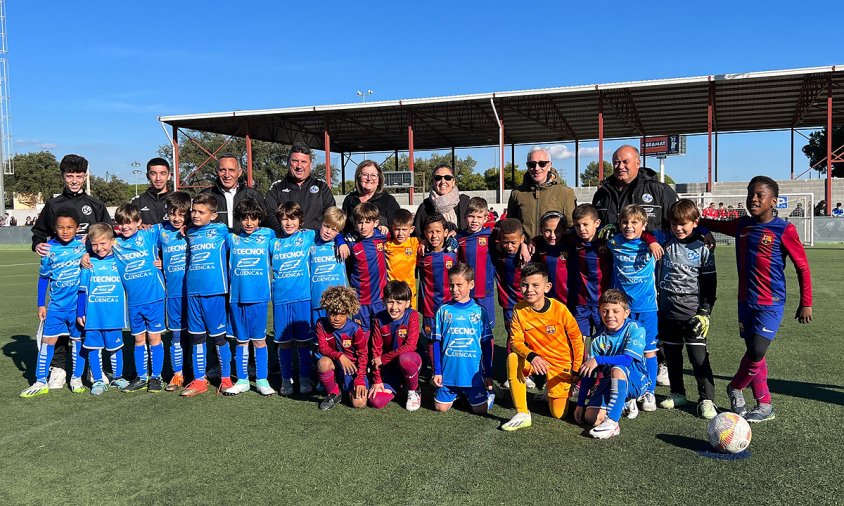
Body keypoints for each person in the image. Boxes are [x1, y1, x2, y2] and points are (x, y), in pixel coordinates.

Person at [701, 176, 812, 423]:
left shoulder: (784, 229)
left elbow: (802, 267)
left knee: (757, 349)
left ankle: (736, 387)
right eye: (750, 193)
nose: (753, 198)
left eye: (759, 195)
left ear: (773, 201)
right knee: (754, 353)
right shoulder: (742, 226)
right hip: (745, 301)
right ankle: (764, 404)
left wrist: (806, 302)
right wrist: (702, 228)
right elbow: (709, 223)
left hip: (771, 302)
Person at [31, 154, 110, 389]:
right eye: (70, 176)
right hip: (62, 277)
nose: (74, 180)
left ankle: (94, 368)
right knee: (60, 323)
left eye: (78, 176)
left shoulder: (96, 204)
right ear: (63, 177)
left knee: (88, 322)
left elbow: (108, 233)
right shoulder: (52, 205)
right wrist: (37, 244)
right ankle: (58, 367)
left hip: (88, 275)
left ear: (85, 176)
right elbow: (39, 231)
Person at [501, 262, 583, 431]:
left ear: (547, 287)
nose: (529, 289)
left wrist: (576, 370)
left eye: (535, 285)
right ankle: (522, 413)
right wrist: (532, 356)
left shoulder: (560, 309)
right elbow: (515, 342)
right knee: (513, 358)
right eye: (525, 285)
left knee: (558, 414)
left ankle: (550, 393)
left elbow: (577, 339)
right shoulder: (519, 309)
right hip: (536, 361)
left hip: (560, 364)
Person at [656, 199, 718, 419]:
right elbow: (647, 232)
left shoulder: (704, 249)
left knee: (698, 357)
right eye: (674, 224)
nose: (678, 228)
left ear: (695, 223)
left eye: (683, 224)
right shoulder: (665, 243)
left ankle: (707, 399)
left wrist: (705, 311)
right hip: (668, 311)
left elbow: (710, 284)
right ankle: (678, 392)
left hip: (693, 314)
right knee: (672, 355)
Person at [20, 209, 87, 398]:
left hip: (77, 307)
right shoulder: (48, 249)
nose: (65, 231)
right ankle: (40, 380)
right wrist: (41, 304)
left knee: (77, 342)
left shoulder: (82, 248)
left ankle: (77, 378)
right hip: (56, 307)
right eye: (61, 227)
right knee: (47, 342)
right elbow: (43, 279)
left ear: (77, 228)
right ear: (54, 229)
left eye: (70, 227)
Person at [605, 204, 663, 412]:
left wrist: (652, 240)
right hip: (623, 309)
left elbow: (677, 230)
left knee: (648, 351)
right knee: (625, 350)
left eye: (634, 223)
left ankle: (650, 392)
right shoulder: (614, 242)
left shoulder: (652, 242)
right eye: (625, 222)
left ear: (644, 225)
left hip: (647, 307)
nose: (629, 226)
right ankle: (629, 390)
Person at [574, 289, 650, 439]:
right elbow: (589, 373)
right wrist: (580, 403)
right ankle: (622, 403)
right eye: (605, 311)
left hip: (636, 379)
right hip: (610, 381)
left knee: (617, 369)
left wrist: (599, 360)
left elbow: (627, 360)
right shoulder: (597, 339)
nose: (610, 316)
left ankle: (613, 423)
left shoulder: (635, 328)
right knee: (591, 418)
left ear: (626, 313)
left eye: (616, 311)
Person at [112, 203, 167, 393]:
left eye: (130, 222)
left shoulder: (148, 234)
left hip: (154, 296)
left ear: (139, 222)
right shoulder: (115, 243)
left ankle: (157, 376)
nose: (125, 227)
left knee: (154, 338)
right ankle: (141, 376)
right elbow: (97, 242)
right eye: (121, 223)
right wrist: (86, 252)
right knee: (138, 340)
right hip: (133, 301)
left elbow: (172, 229)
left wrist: (163, 262)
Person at [181, 194, 232, 397]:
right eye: (193, 210)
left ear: (213, 215)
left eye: (201, 212)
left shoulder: (221, 231)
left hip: (215, 292)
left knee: (219, 337)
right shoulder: (190, 233)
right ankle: (199, 379)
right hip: (192, 292)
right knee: (197, 338)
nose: (195, 215)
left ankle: (226, 378)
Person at [224, 199, 276, 396]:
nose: (249, 223)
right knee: (241, 341)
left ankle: (262, 380)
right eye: (245, 218)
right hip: (237, 298)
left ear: (259, 219)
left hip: (259, 298)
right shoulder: (232, 239)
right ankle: (243, 380)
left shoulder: (268, 235)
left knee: (260, 341)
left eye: (253, 218)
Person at [431, 263, 494, 414]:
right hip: (449, 375)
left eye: (459, 285)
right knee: (440, 408)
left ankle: (488, 394)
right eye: (451, 285)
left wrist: (489, 374)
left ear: (471, 284)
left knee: (481, 411)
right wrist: (437, 371)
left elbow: (486, 344)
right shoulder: (443, 310)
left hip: (473, 375)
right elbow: (436, 343)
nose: (454, 290)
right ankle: (458, 393)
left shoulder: (480, 312)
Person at [76, 223, 128, 395]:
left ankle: (118, 377)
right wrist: (80, 312)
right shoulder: (88, 264)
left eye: (103, 243)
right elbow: (82, 290)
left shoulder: (120, 260)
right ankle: (98, 380)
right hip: (93, 315)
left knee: (116, 348)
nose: (99, 248)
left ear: (112, 242)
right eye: (95, 244)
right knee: (93, 348)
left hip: (114, 315)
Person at [271, 202, 317, 396]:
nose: (288, 223)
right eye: (284, 219)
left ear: (301, 221)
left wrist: (340, 241)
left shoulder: (309, 236)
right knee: (284, 343)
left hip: (302, 298)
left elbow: (333, 229)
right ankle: (286, 379)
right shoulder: (273, 242)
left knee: (304, 341)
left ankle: (305, 377)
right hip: (281, 299)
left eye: (292, 218)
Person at [592, 145, 679, 233]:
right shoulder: (602, 194)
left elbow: (679, 223)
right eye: (616, 162)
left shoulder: (660, 191)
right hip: (611, 246)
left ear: (638, 163)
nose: (620, 166)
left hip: (649, 246)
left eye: (625, 162)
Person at [368, 280, 423, 411]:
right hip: (391, 367)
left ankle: (414, 390)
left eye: (399, 302)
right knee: (376, 401)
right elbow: (376, 351)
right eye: (390, 302)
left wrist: (383, 359)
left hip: (411, 361)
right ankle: (398, 384)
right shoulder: (378, 319)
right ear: (384, 301)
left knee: (406, 359)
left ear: (408, 303)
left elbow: (410, 346)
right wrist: (377, 379)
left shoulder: (412, 315)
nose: (394, 307)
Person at [156, 192, 191, 391]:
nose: (177, 218)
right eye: (172, 213)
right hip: (173, 294)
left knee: (196, 335)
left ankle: (196, 373)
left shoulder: (195, 231)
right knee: (176, 335)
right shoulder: (160, 232)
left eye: (182, 214)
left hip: (194, 293)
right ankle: (177, 374)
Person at [315, 285, 369, 410]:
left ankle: (353, 385)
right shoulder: (321, 324)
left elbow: (363, 354)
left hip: (352, 369)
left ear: (349, 313)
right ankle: (334, 393)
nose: (337, 318)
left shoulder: (355, 329)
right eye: (333, 314)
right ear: (327, 310)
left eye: (342, 314)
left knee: (359, 404)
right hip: (335, 365)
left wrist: (360, 378)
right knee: (323, 362)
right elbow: (322, 348)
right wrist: (340, 356)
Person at [507, 146, 577, 238]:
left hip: (553, 250)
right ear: (527, 166)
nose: (536, 168)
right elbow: (511, 226)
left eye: (542, 164)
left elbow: (571, 227)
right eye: (532, 164)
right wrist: (522, 243)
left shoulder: (566, 193)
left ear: (549, 165)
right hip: (526, 250)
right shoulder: (516, 193)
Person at [265, 142, 335, 232]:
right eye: (295, 161)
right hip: (285, 242)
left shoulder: (322, 187)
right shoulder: (276, 188)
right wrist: (284, 234)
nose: (299, 166)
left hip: (315, 243)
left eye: (303, 162)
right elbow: (269, 216)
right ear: (288, 162)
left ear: (310, 164)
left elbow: (332, 217)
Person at [418, 214, 458, 365]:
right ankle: (436, 371)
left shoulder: (453, 251)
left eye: (438, 231)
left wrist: (455, 239)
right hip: (430, 306)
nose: (434, 235)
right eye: (430, 231)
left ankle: (449, 369)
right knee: (432, 339)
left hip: (451, 305)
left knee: (451, 339)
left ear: (445, 232)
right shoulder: (421, 253)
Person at [201, 153, 274, 233]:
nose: (227, 175)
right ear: (217, 172)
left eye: (231, 170)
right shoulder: (206, 196)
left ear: (239, 173)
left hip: (245, 244)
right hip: (216, 244)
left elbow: (265, 223)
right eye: (222, 170)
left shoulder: (253, 195)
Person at [344, 202, 388, 334]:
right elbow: (335, 234)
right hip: (360, 299)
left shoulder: (382, 236)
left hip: (380, 298)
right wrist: (341, 241)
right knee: (362, 334)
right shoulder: (351, 242)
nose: (363, 226)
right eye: (360, 222)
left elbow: (404, 232)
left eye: (367, 222)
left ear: (375, 223)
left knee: (380, 332)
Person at [457, 197, 497, 330]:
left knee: (486, 328)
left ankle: (487, 352)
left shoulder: (491, 237)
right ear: (465, 216)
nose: (474, 221)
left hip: (485, 290)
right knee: (467, 327)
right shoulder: (459, 238)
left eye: (479, 217)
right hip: (465, 291)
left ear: (486, 218)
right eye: (471, 216)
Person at [309, 207, 349, 332]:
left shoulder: (342, 245)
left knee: (338, 337)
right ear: (321, 222)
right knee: (318, 338)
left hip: (337, 300)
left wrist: (341, 240)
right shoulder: (310, 242)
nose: (328, 232)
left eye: (334, 230)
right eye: (326, 226)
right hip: (317, 299)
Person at [341, 160, 401, 235]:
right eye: (365, 175)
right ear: (359, 178)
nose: (369, 178)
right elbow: (341, 228)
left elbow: (399, 228)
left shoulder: (388, 200)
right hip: (352, 245)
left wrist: (386, 230)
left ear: (379, 180)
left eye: (373, 175)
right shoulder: (350, 200)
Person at [413, 164, 471, 236]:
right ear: (433, 182)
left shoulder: (465, 203)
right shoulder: (425, 207)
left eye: (448, 178)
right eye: (438, 178)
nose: (443, 181)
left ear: (453, 182)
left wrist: (459, 234)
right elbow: (417, 235)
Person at [384, 209, 420, 310]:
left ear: (411, 229)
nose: (400, 233)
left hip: (409, 290)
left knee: (409, 320)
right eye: (397, 229)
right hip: (392, 290)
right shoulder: (387, 245)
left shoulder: (415, 243)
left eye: (404, 229)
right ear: (392, 228)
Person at [130, 157, 172, 225]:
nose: (158, 178)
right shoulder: (137, 202)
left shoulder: (177, 200)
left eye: (163, 173)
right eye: (153, 173)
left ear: (169, 176)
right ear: (147, 176)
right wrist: (138, 227)